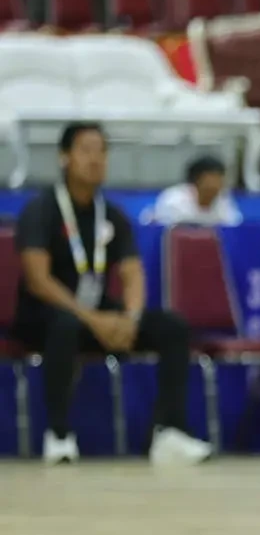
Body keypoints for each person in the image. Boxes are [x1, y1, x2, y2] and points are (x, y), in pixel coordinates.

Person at [13, 123, 212, 466]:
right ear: (64, 157)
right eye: (86, 150)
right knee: (63, 326)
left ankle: (168, 433)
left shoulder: (113, 215)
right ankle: (59, 436)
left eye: (102, 151)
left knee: (171, 326)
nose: (96, 159)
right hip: (45, 315)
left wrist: (131, 320)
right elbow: (37, 280)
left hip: (99, 315)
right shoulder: (41, 210)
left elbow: (133, 272)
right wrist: (95, 320)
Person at [143, 156, 243, 227]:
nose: (218, 183)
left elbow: (233, 226)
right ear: (197, 180)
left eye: (220, 178)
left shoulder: (224, 200)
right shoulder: (174, 200)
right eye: (213, 178)